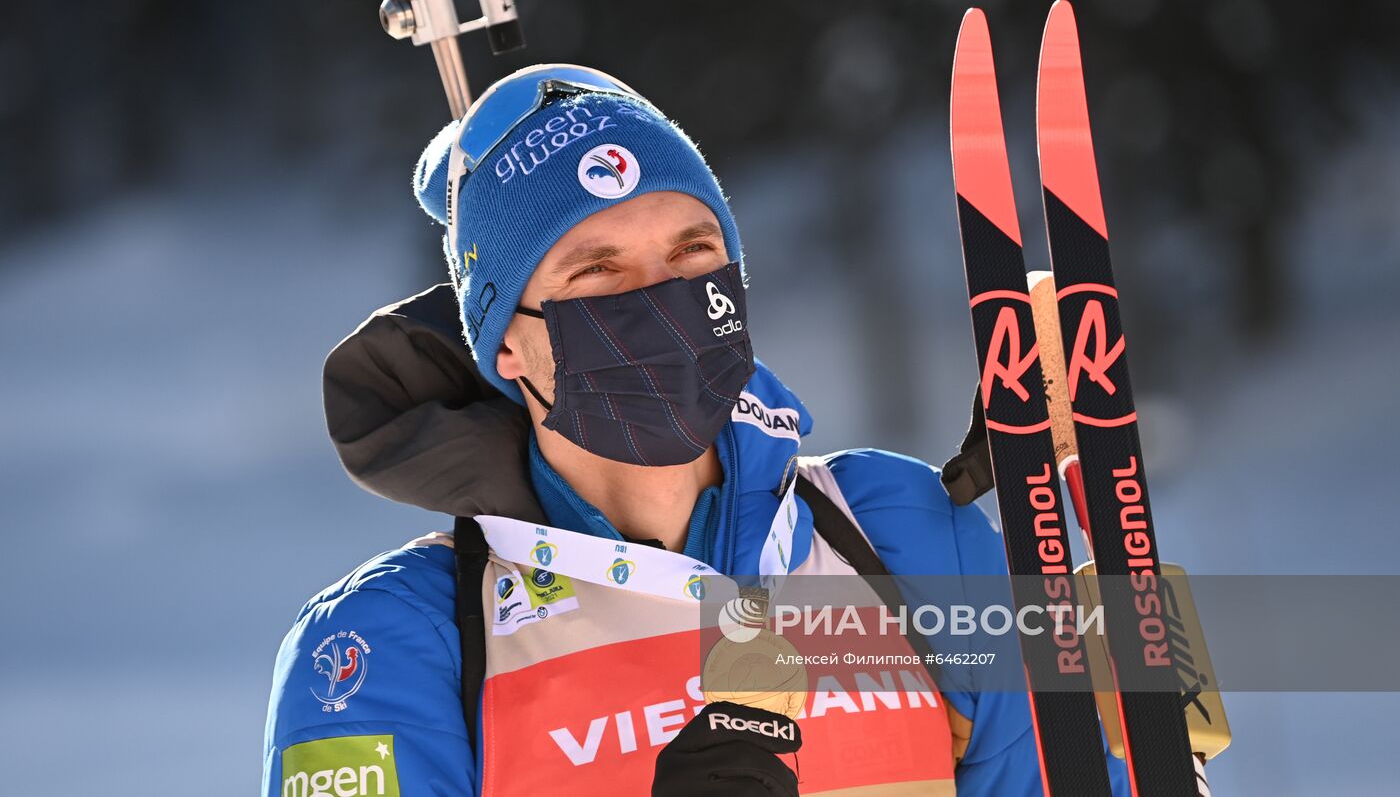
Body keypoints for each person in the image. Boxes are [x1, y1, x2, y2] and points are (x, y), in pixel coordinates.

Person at [261, 64, 1128, 796]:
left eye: (692, 254)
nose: (662, 303)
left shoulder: (900, 534)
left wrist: (1143, 732)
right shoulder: (387, 646)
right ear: (509, 347)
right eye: (596, 270)